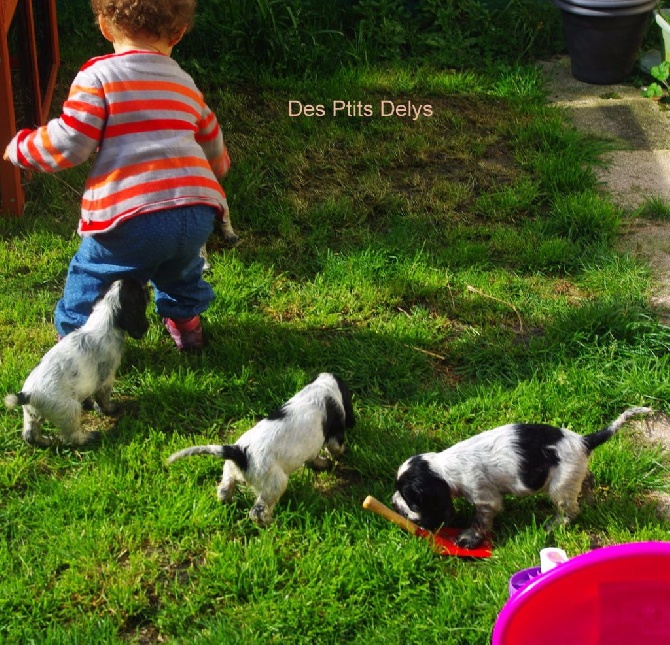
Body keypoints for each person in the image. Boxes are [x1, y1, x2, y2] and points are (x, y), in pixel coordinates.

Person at [3, 0, 234, 351]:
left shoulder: (98, 77)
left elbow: (72, 141)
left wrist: (22, 148)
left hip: (133, 212)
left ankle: (74, 344)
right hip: (198, 208)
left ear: (105, 27)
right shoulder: (184, 82)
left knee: (92, 274)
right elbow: (210, 132)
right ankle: (187, 326)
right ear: (180, 32)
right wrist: (218, 165)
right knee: (180, 273)